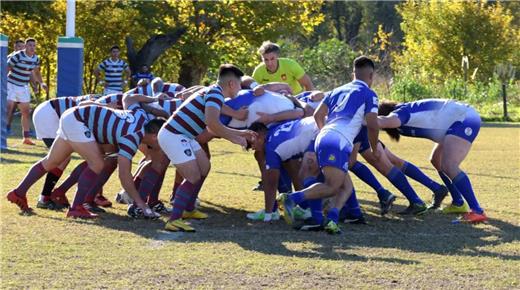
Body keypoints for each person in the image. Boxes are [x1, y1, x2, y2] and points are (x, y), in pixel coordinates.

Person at [6, 93, 164, 219]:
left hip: (73, 115)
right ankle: (76, 207)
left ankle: (18, 192)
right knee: (97, 164)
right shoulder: (133, 137)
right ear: (155, 136)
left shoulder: (140, 115)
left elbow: (130, 97)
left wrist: (155, 100)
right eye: (162, 140)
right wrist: (141, 204)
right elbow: (124, 175)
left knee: (51, 161)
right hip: (78, 120)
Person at [278, 56, 380, 234]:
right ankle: (292, 198)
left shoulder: (336, 90)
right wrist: (374, 148)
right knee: (332, 186)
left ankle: (331, 219)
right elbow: (372, 124)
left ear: (353, 74)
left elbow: (318, 115)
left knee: (345, 186)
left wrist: (326, 134)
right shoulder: (369, 94)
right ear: (371, 75)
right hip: (337, 141)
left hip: (323, 136)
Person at [158, 64, 256, 232]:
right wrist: (238, 135)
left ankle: (188, 209)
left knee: (205, 167)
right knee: (194, 176)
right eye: (240, 84)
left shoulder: (214, 93)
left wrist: (238, 130)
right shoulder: (215, 94)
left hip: (184, 135)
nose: (240, 89)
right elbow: (212, 124)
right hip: (174, 135)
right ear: (232, 84)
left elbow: (214, 122)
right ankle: (174, 220)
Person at [377, 98, 487, 223]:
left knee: (449, 165)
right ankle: (458, 203)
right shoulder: (402, 115)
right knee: (436, 160)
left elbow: (387, 121)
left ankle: (477, 210)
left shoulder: (401, 112)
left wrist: (361, 119)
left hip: (464, 119)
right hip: (454, 123)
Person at [32, 94, 100, 209]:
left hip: (49, 111)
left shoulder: (105, 101)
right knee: (60, 159)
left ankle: (45, 196)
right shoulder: (104, 103)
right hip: (50, 114)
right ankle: (43, 198)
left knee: (61, 158)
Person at [245, 117, 318, 222]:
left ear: (258, 136)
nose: (251, 147)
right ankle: (306, 208)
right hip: (321, 125)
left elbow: (271, 184)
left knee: (325, 181)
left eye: (250, 143)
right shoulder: (274, 129)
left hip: (319, 133)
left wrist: (268, 215)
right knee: (303, 174)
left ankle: (320, 216)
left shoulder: (271, 148)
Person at [6, 38, 48, 145]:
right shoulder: (17, 55)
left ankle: (26, 138)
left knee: (25, 112)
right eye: (30, 45)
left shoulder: (36, 59)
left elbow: (36, 72)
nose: (32, 47)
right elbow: (7, 67)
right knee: (9, 108)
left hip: (23, 87)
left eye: (34, 45)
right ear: (25, 46)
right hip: (11, 84)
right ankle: (4, 131)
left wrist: (41, 83)